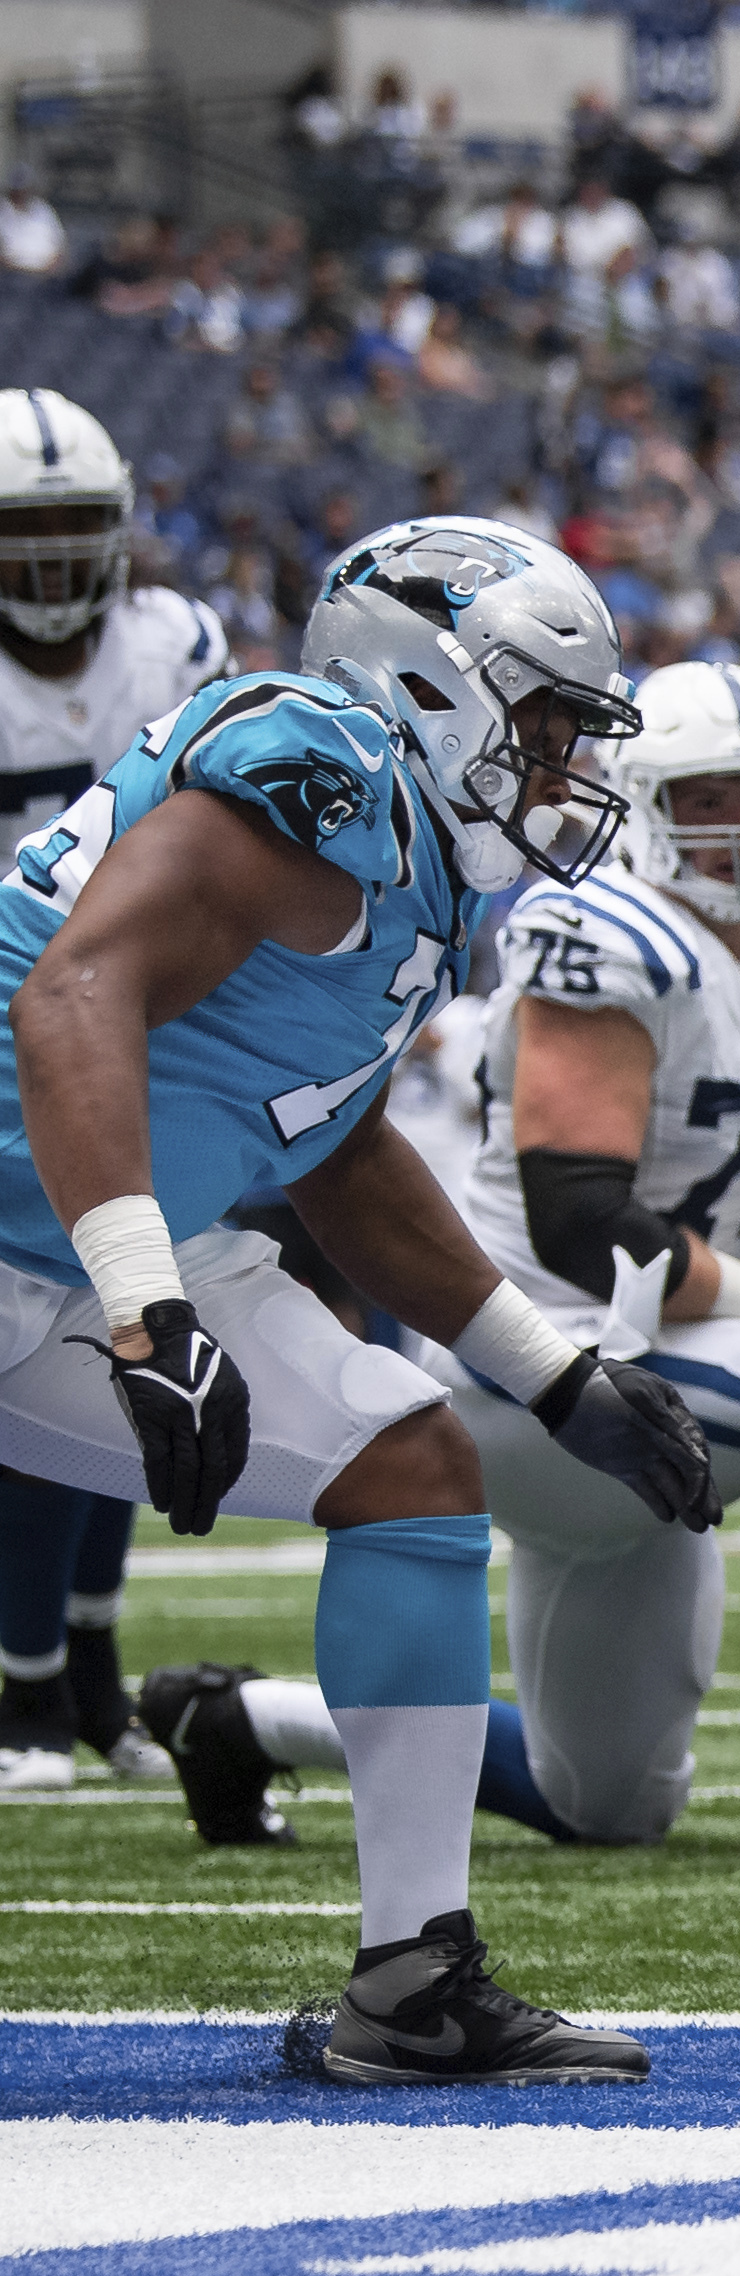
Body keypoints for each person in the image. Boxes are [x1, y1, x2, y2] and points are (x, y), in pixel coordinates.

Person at [7, 517, 710, 2083]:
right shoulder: (321, 766)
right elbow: (73, 991)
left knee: (411, 1459)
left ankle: (411, 1982)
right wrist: (144, 1306)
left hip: (78, 1235)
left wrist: (549, 1369)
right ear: (429, 682)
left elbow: (321, 1131)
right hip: (57, 1228)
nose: (557, 770)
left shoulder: (408, 859)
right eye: (537, 724)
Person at [156, 661, 740, 1856]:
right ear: (645, 797)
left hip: (667, 1348)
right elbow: (579, 1214)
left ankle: (235, 1718)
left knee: (604, 1802)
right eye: (709, 798)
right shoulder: (597, 931)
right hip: (545, 1367)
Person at [0, 389, 227, 1790]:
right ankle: (24, 1684)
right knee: (42, 1334)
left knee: (141, 1332)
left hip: (151, 1022)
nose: (48, 564)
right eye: (24, 535)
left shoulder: (177, 643)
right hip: (11, 1026)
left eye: (74, 530)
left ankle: (84, 1666)